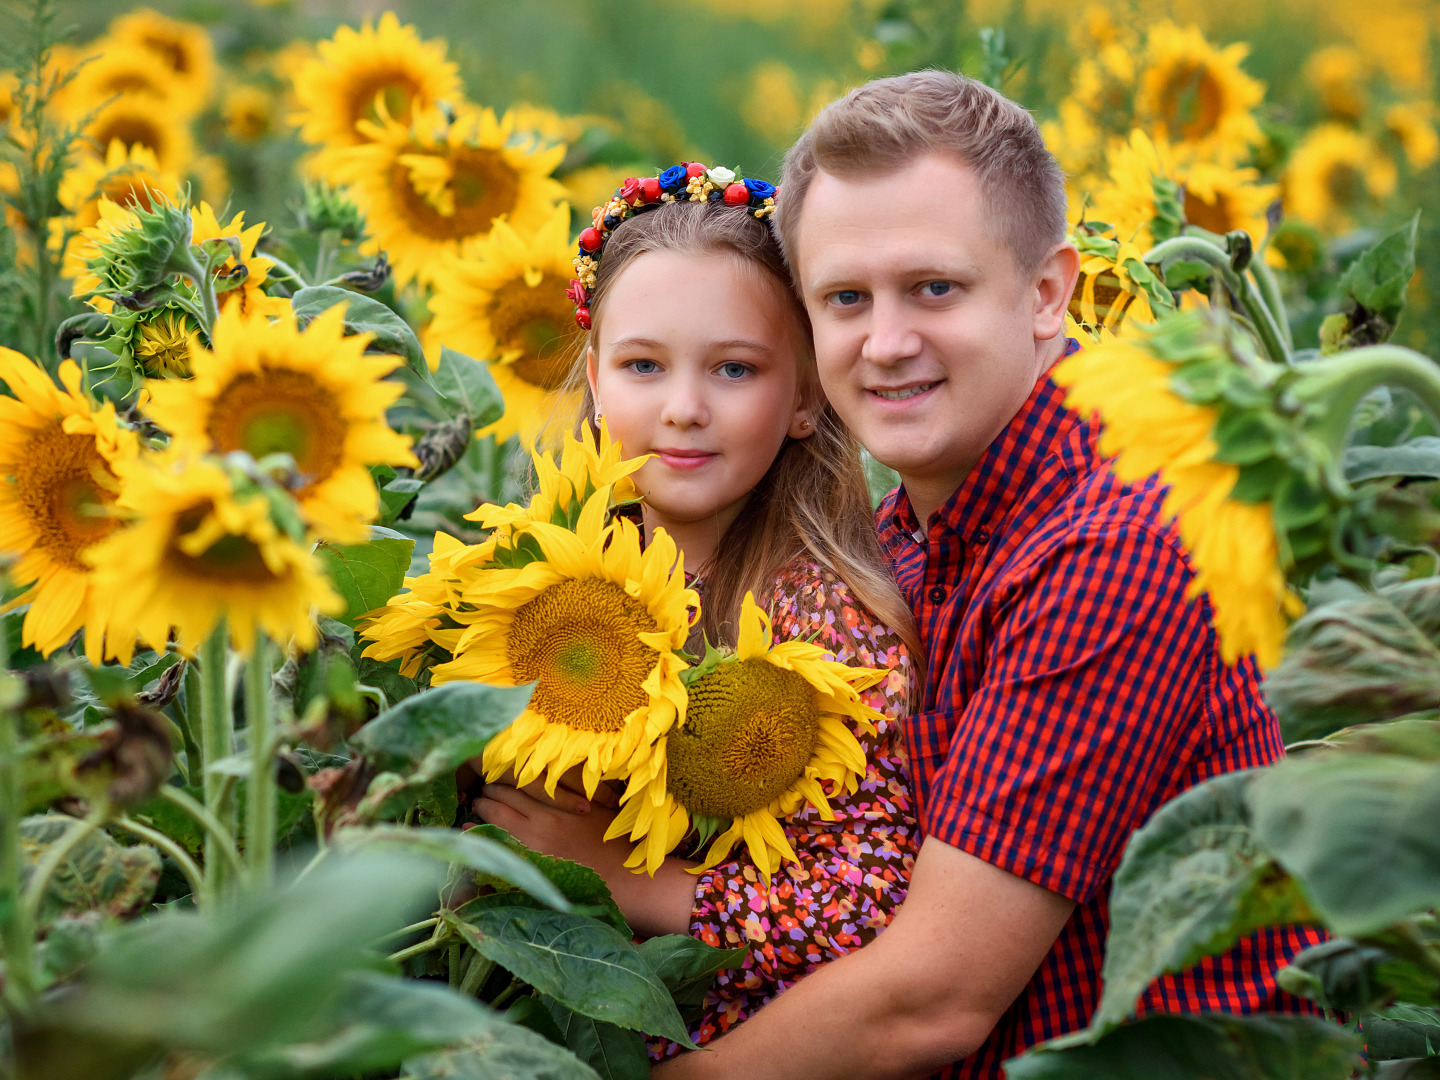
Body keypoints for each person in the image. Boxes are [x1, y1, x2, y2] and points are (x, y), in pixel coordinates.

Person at [649, 71, 1327, 1079]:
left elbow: (932, 1000)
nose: (885, 343)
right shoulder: (903, 537)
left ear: (1049, 292)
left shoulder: (1114, 542)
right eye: (845, 298)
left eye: (935, 288)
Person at [473, 177, 924, 1051]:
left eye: (733, 368)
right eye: (645, 365)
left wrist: (624, 878)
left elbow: (867, 905)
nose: (684, 406)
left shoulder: (823, 620)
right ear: (596, 378)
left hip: (723, 1046)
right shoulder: (527, 581)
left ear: (805, 397)